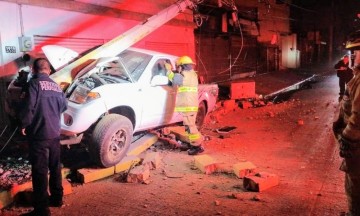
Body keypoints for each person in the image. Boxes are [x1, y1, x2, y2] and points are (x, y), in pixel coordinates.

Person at [19, 58, 67, 216]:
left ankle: (41, 210)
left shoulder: (34, 84)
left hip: (39, 134)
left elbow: (28, 107)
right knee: (55, 167)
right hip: (54, 134)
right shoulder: (57, 86)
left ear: (33, 69)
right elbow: (64, 106)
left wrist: (24, 125)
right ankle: (57, 199)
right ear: (49, 70)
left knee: (40, 170)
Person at [333, 64, 360, 216]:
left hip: (356, 145)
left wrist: (347, 139)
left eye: (357, 51)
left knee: (355, 185)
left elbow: (358, 117)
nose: (354, 56)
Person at [165, 56, 204, 155]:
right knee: (189, 126)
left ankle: (197, 146)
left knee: (190, 127)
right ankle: (193, 143)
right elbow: (179, 78)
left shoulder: (182, 75)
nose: (178, 68)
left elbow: (174, 80)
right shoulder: (192, 74)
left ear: (182, 66)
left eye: (178, 66)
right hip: (191, 104)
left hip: (187, 105)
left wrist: (169, 71)